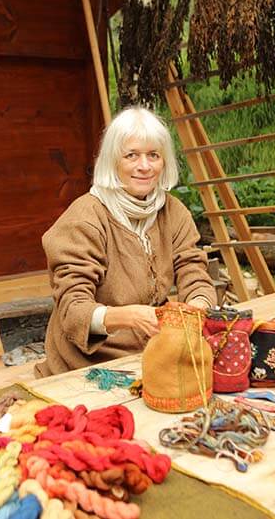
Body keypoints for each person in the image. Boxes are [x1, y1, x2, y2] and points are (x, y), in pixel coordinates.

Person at [35, 107, 216, 378]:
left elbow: (194, 272)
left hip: (153, 352)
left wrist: (199, 304)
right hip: (87, 364)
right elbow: (73, 310)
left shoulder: (173, 212)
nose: (144, 166)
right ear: (112, 161)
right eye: (131, 155)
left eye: (153, 155)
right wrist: (129, 317)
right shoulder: (86, 218)